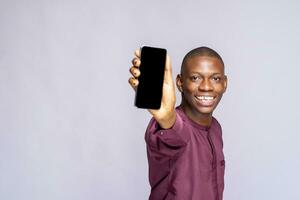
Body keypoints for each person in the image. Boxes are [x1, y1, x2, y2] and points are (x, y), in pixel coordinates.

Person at [128, 46, 228, 200]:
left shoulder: (215, 128)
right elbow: (174, 132)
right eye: (195, 78)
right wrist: (167, 118)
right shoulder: (170, 126)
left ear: (225, 83)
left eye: (215, 78)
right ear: (180, 82)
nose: (206, 87)